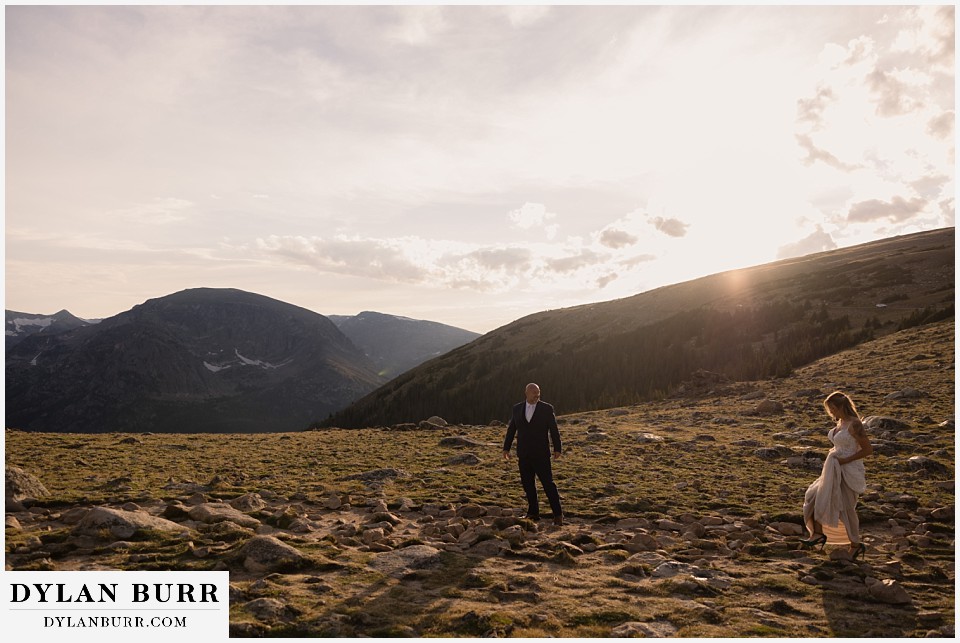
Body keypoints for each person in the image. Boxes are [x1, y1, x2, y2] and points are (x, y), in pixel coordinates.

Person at [800, 391, 874, 559]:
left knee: (846, 508)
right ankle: (818, 533)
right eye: (829, 409)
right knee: (814, 495)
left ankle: (855, 545)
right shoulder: (840, 423)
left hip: (849, 470)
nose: (831, 412)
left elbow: (868, 450)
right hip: (833, 467)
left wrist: (845, 460)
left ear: (841, 406)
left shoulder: (855, 424)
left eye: (833, 408)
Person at [502, 382, 564, 526]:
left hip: (541, 454)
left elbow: (554, 430)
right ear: (526, 393)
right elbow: (512, 429)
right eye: (534, 393)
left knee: (548, 484)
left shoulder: (546, 408)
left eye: (538, 392)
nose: (537, 395)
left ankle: (558, 515)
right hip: (523, 454)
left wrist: (557, 448)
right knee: (528, 484)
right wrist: (506, 448)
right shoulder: (517, 408)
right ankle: (533, 513)